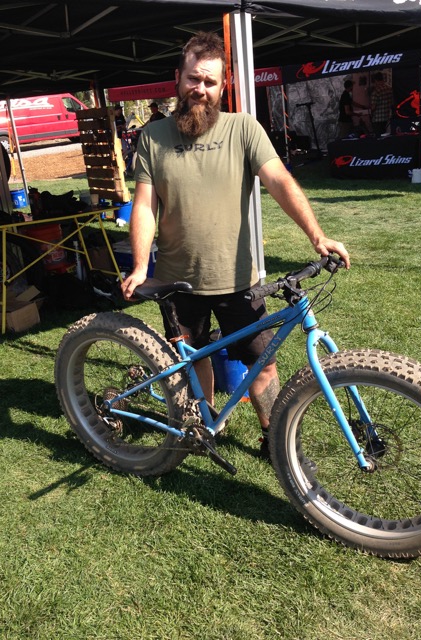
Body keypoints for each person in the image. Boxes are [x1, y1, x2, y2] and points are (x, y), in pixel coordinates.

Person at [121, 32, 350, 460]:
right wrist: (139, 266)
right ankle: (207, 424)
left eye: (209, 82)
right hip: (175, 281)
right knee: (193, 358)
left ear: (222, 85)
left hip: (238, 277)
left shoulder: (244, 128)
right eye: (193, 79)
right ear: (178, 77)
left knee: (263, 363)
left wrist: (316, 235)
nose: (200, 89)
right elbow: (146, 206)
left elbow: (279, 180)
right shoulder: (152, 137)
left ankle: (275, 437)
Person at [370, 72, 393, 137]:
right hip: (387, 117)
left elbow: (373, 107)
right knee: (385, 136)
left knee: (378, 137)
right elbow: (392, 102)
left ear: (375, 80)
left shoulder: (376, 91)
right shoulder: (389, 89)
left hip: (377, 119)